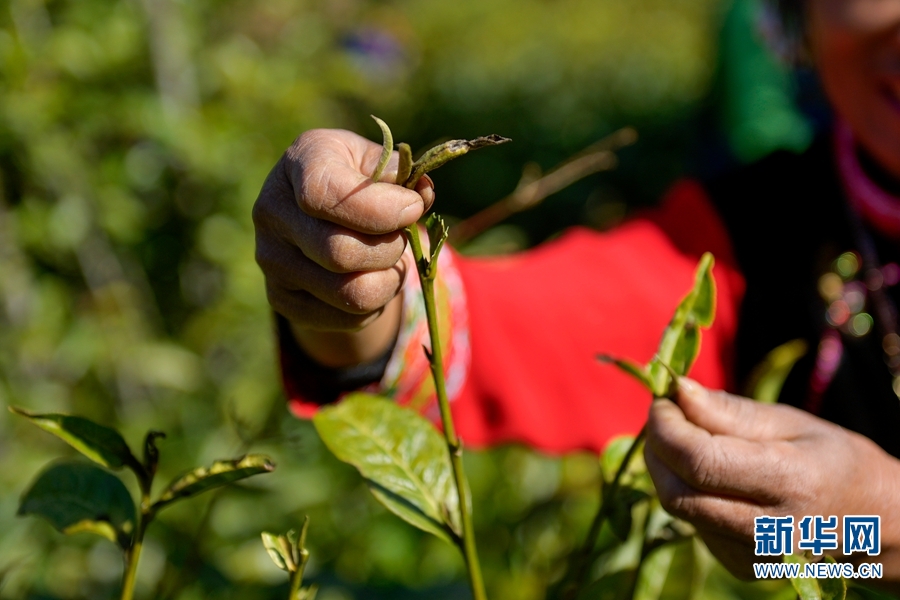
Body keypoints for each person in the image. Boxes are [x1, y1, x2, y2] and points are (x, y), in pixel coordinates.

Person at [252, 0, 900, 589]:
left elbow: (859, 544)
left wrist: (880, 534)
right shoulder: (753, 239)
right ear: (797, 21)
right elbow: (499, 328)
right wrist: (346, 263)